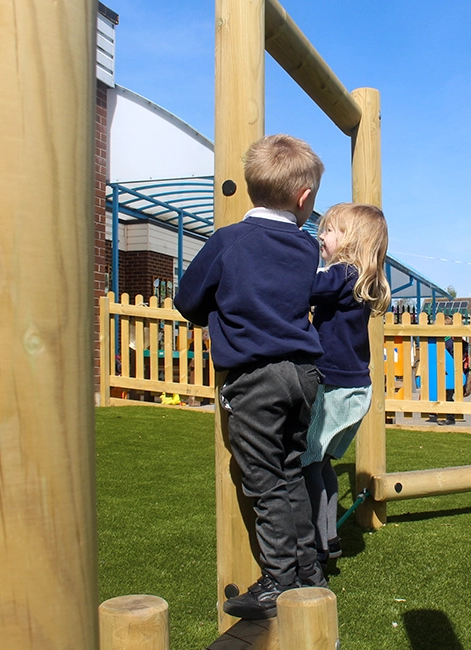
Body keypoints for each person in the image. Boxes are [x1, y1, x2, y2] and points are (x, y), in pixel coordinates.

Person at [173, 134, 326, 620]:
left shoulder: (228, 240)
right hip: (303, 374)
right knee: (289, 468)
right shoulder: (306, 249)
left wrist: (220, 307)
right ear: (304, 198)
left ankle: (279, 581)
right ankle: (309, 570)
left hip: (253, 378)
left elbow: (189, 300)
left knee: (262, 479)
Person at [301, 203, 390, 567]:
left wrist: (296, 251)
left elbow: (304, 286)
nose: (321, 236)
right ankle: (330, 539)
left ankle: (314, 544)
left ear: (352, 241)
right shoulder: (362, 279)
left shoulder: (341, 274)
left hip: (334, 388)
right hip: (355, 389)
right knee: (321, 464)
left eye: (330, 231)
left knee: (307, 463)